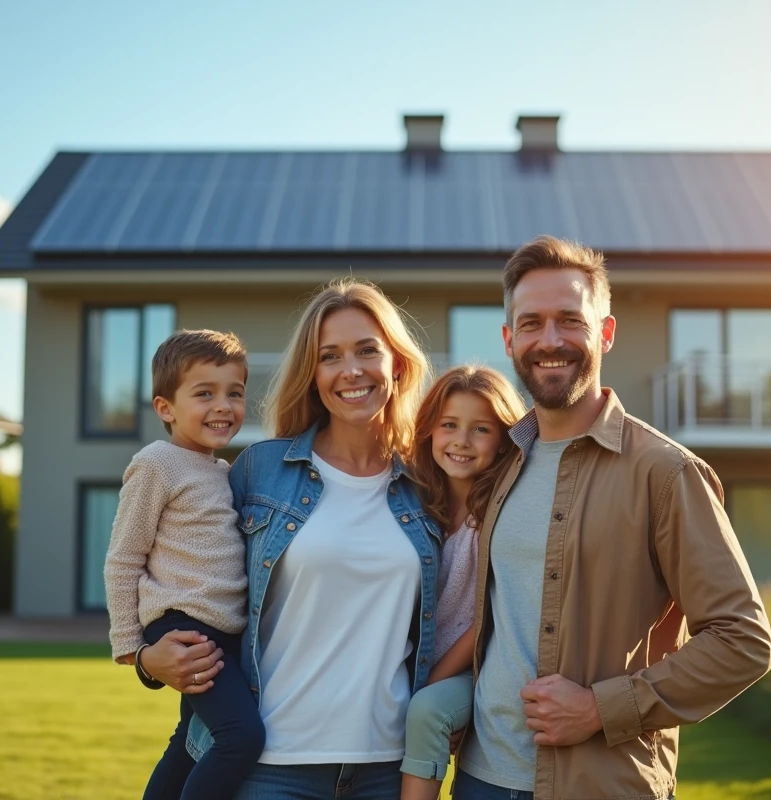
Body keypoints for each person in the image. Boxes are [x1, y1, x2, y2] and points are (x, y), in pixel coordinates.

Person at [455, 236, 771, 800]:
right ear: (509, 340)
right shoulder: (502, 466)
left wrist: (599, 709)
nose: (549, 341)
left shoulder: (665, 472)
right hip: (481, 778)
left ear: (605, 332)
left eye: (569, 321)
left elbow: (742, 639)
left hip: (601, 786)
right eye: (531, 324)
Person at [137, 278, 444, 799]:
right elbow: (179, 572)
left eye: (367, 350)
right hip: (270, 765)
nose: (351, 370)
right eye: (330, 356)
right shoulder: (260, 470)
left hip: (386, 767)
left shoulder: (429, 484)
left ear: (396, 363)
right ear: (313, 374)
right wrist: (147, 659)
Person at [103, 329, 264, 800]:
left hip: (223, 629)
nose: (223, 405)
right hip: (185, 625)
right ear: (166, 408)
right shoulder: (156, 463)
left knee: (190, 746)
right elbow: (123, 557)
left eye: (234, 393)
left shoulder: (222, 471)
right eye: (204, 394)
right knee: (241, 738)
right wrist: (132, 648)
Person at [400, 366, 526, 800]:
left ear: (504, 439)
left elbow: (486, 617)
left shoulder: (501, 513)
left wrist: (432, 681)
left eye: (481, 429)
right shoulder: (414, 503)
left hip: (479, 666)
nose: (461, 441)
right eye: (449, 425)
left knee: (428, 712)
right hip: (419, 665)